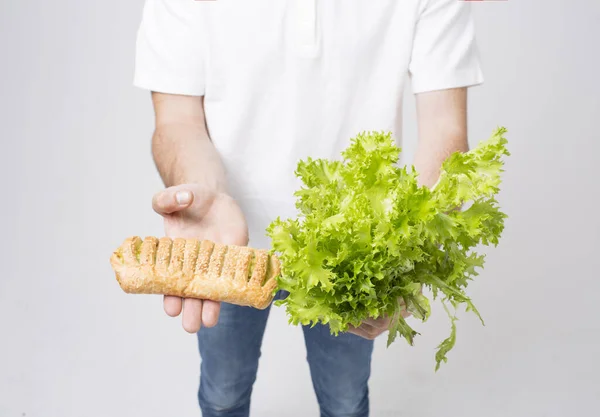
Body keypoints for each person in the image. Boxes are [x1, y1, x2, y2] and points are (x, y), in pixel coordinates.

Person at [133, 0, 483, 416]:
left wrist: (406, 256)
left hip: (354, 252)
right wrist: (199, 194)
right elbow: (176, 121)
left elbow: (445, 130)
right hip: (226, 245)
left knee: (345, 401)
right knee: (223, 395)